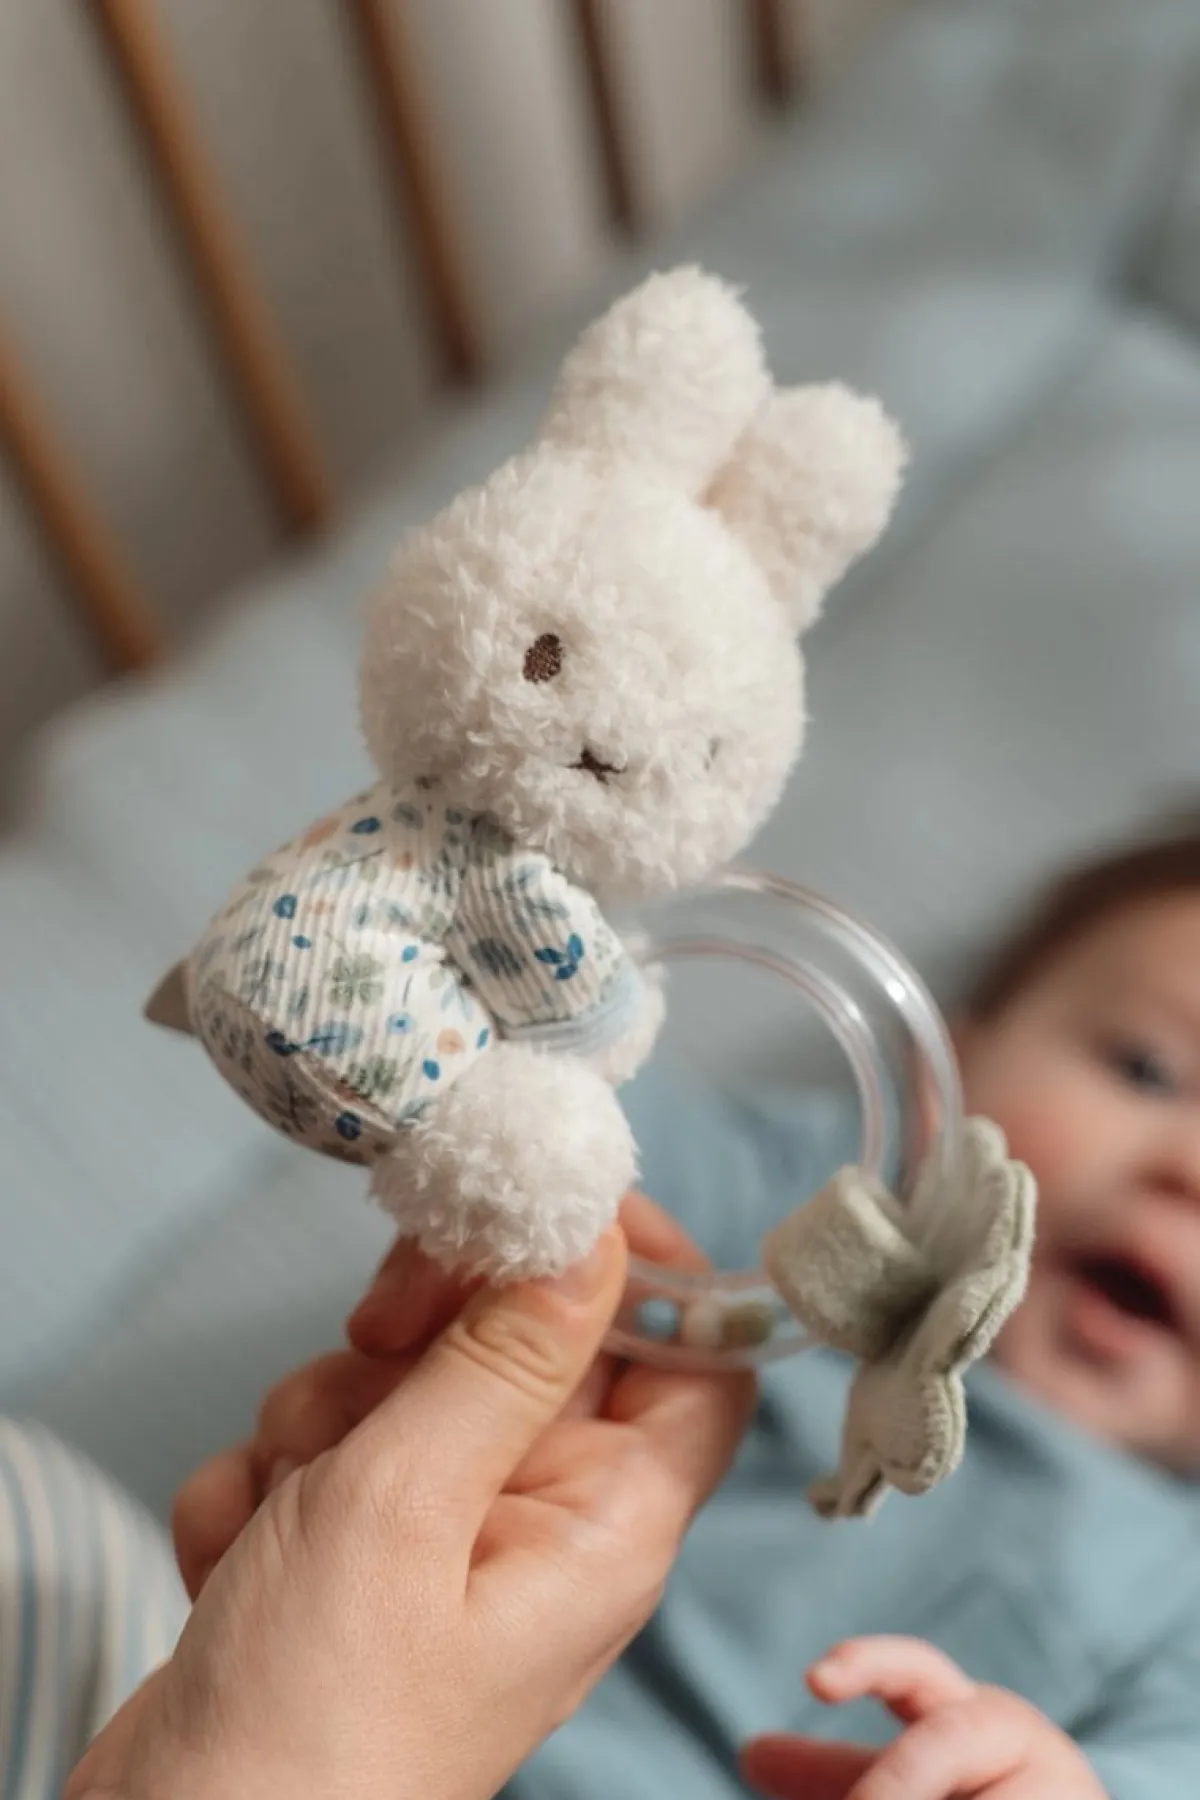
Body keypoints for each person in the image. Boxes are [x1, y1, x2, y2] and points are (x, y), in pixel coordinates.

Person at [64, 817, 1200, 1797]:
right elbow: (588, 1131)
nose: (1187, 1171)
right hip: (283, 1690)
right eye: (1149, 1073)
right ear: (947, 1069)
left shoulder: (1177, 1584)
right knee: (44, 1536)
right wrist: (462, 1014)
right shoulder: (822, 1191)